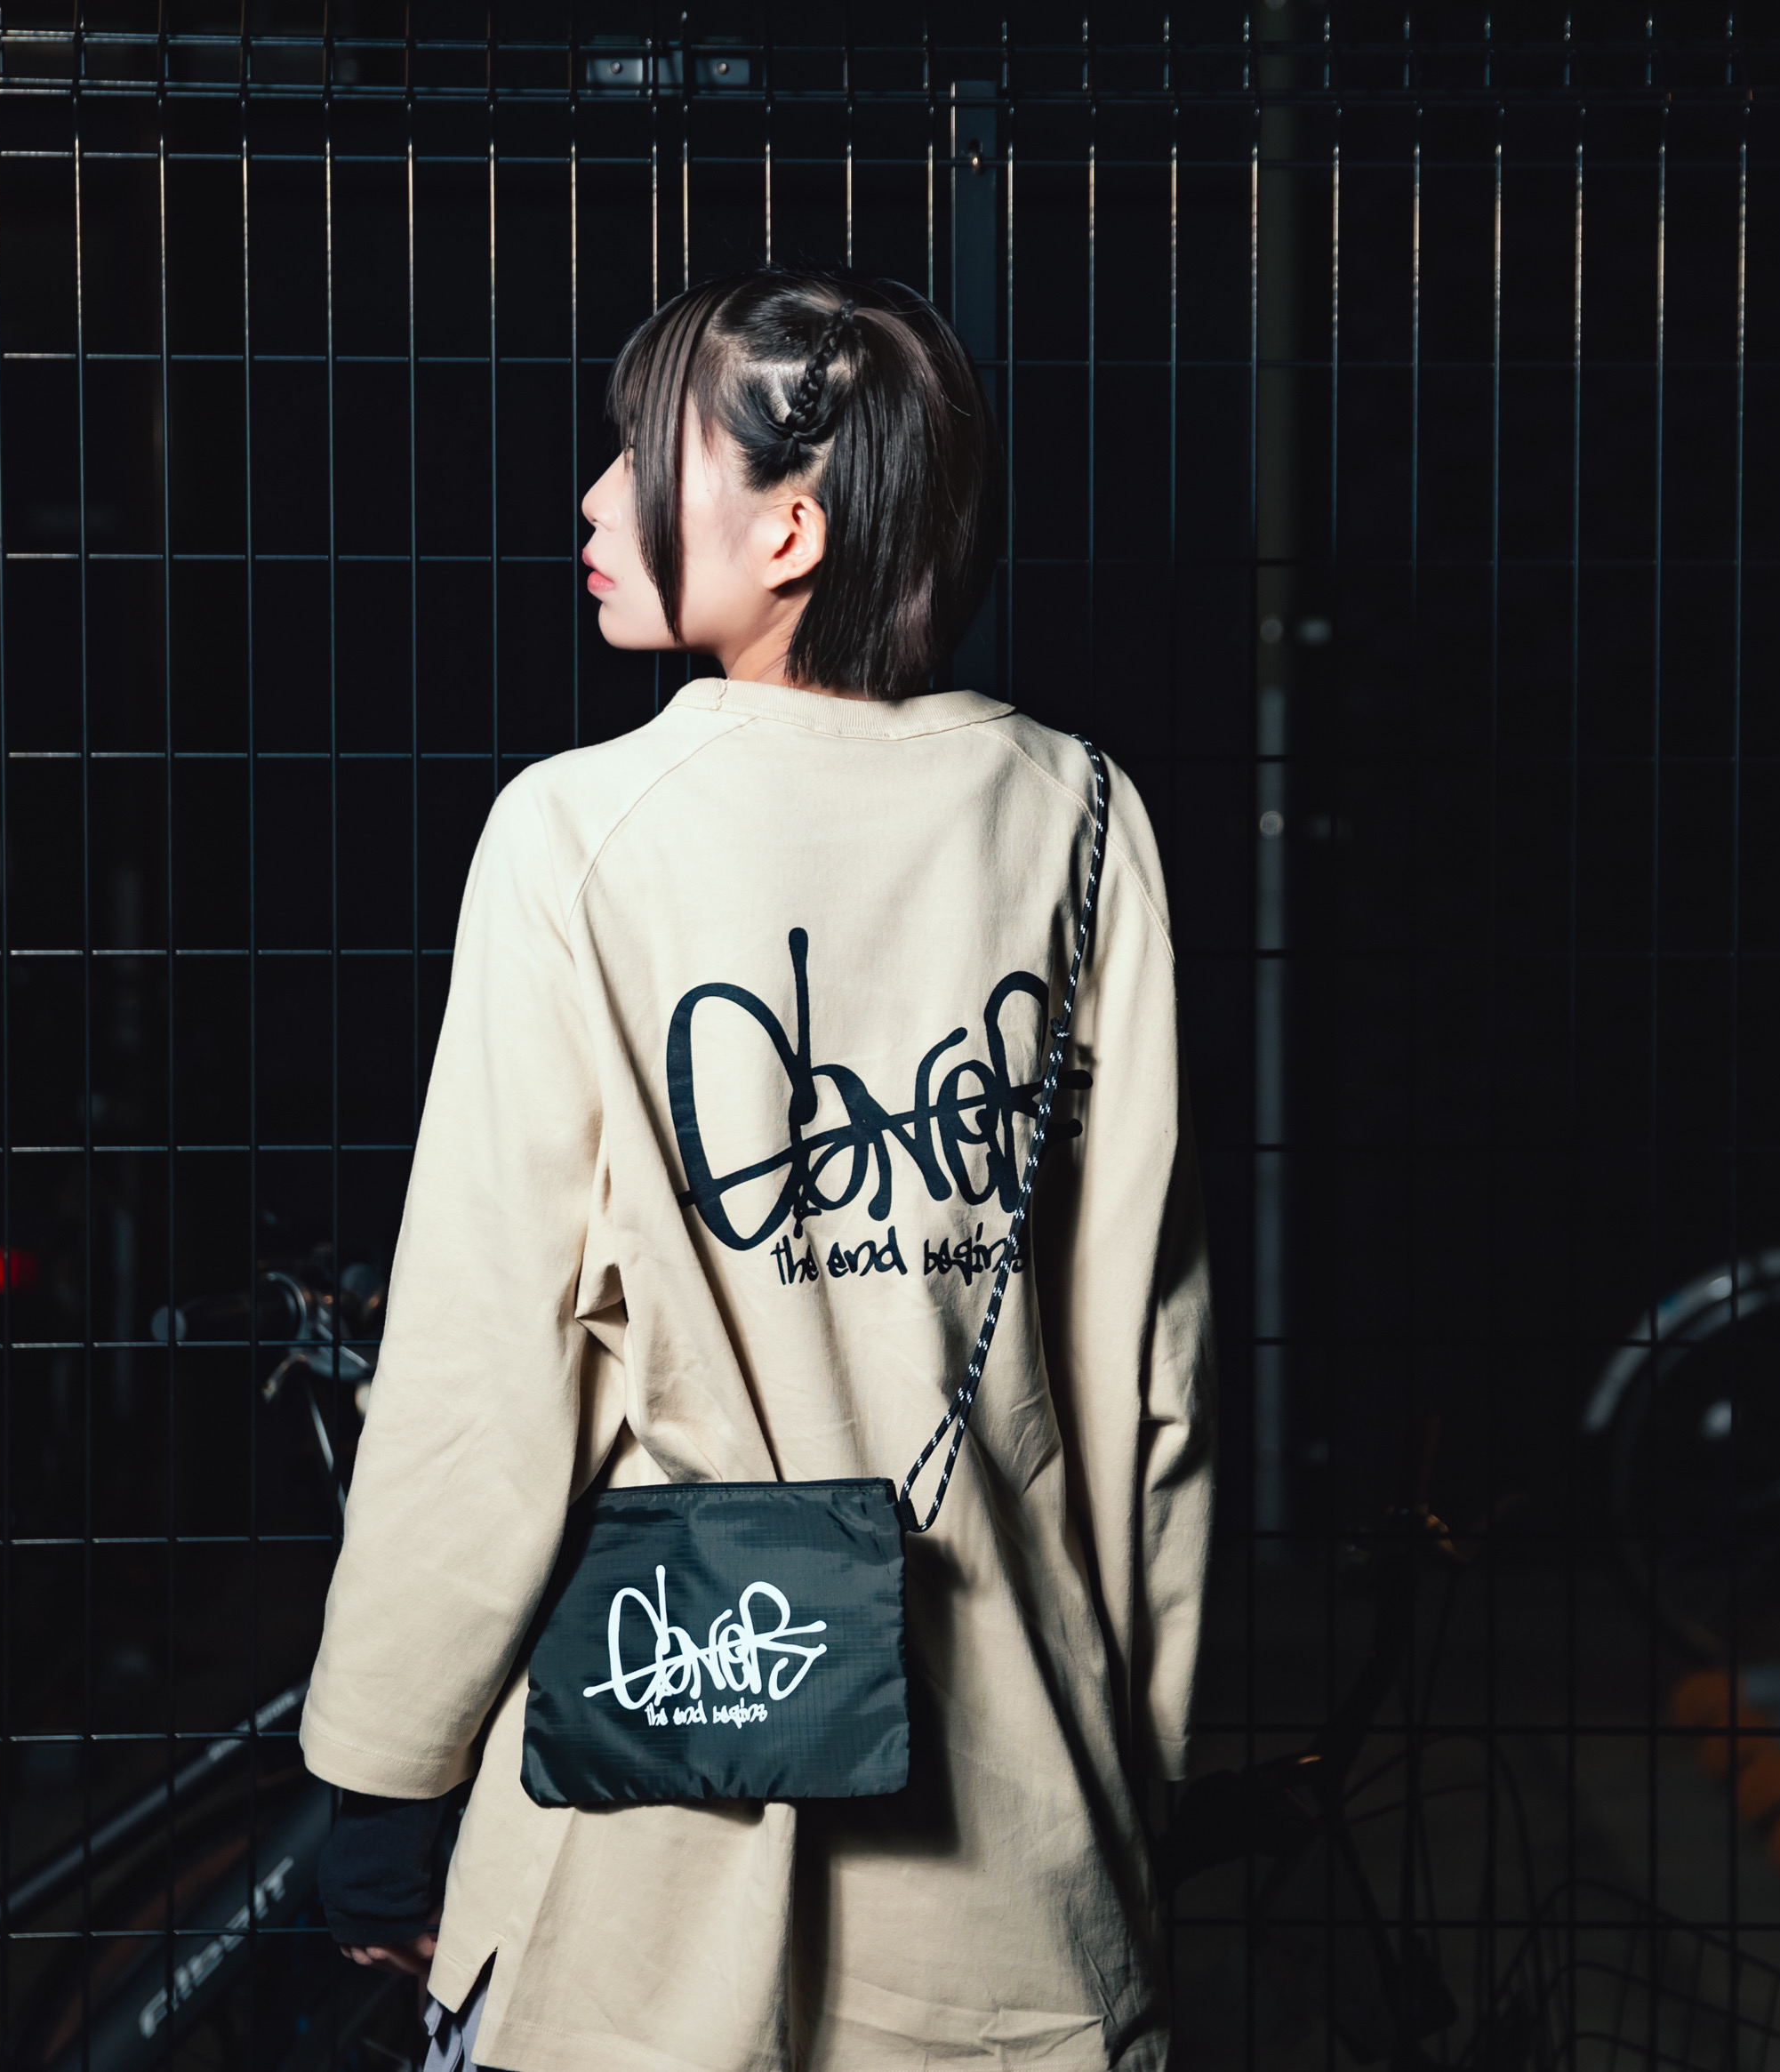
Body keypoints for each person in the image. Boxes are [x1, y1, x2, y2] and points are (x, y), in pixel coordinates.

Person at [301, 264, 1215, 2072]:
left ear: (792, 529)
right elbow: (1144, 1372)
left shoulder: (574, 841)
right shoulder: (1085, 823)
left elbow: (487, 1364)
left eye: (642, 457)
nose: (593, 499)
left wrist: (385, 1771)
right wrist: (1143, 1761)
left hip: (653, 1806)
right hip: (1011, 1833)